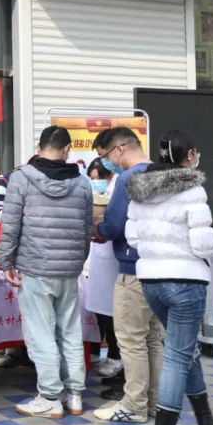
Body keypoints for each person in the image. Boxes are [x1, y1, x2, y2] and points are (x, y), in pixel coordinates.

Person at [126, 130, 213, 425]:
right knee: (178, 356)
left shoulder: (140, 190)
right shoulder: (193, 189)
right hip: (186, 281)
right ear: (189, 155)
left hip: (151, 281)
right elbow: (203, 244)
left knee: (184, 349)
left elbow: (132, 238)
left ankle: (206, 421)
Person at [0, 126, 93, 420]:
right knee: (70, 331)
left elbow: (10, 225)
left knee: (41, 334)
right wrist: (77, 261)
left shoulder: (21, 179)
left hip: (35, 268)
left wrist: (6, 262)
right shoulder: (82, 183)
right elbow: (85, 230)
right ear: (67, 150)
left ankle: (50, 397)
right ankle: (75, 395)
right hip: (69, 270)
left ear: (39, 148)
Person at [92, 127, 162, 425]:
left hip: (133, 271)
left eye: (106, 156)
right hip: (162, 269)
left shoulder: (127, 178)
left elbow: (114, 225)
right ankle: (155, 402)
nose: (107, 163)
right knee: (154, 340)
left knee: (131, 341)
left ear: (119, 149)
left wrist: (98, 229)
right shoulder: (162, 173)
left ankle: (134, 405)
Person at [85, 156, 123, 384]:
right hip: (98, 255)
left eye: (95, 178)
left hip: (113, 257)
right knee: (100, 309)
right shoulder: (98, 191)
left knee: (114, 311)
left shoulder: (119, 186)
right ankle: (108, 356)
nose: (94, 183)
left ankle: (117, 357)